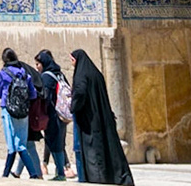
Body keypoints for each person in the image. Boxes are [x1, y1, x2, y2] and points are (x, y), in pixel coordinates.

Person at [70, 49, 133, 185]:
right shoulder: (96, 73)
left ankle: (98, 178)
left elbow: (80, 91)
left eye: (73, 60)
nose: (72, 64)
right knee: (108, 147)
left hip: (89, 120)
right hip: (102, 117)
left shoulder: (82, 74)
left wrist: (74, 106)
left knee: (94, 150)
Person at [0, 48, 44, 178]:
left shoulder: (2, 74)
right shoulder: (24, 74)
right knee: (22, 145)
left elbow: (0, 94)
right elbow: (33, 94)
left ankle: (5, 175)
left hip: (8, 110)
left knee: (11, 146)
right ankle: (33, 174)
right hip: (23, 112)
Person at [35, 50, 71, 180]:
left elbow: (46, 97)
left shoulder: (46, 77)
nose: (37, 67)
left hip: (52, 115)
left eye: (38, 64)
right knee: (59, 143)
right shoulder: (59, 74)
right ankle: (60, 171)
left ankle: (60, 173)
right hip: (62, 114)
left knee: (53, 143)